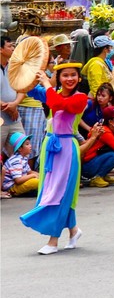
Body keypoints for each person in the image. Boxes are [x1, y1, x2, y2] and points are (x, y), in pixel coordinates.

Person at [19, 64, 88, 255]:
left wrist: (47, 85)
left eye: (73, 75)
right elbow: (28, 90)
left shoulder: (80, 98)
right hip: (50, 147)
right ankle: (73, 230)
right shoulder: (53, 92)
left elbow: (58, 104)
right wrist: (30, 75)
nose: (69, 79)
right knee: (51, 189)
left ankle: (53, 241)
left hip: (66, 149)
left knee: (59, 192)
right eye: (65, 75)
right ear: (58, 77)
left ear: (79, 78)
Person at [1, 36, 27, 157]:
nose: (13, 48)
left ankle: (19, 176)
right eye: (10, 46)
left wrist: (15, 104)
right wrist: (6, 106)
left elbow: (23, 88)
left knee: (22, 150)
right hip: (2, 117)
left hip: (14, 118)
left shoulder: (14, 66)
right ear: (1, 49)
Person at [3, 132, 39, 197]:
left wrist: (40, 176)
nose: (30, 146)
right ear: (20, 148)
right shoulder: (16, 160)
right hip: (12, 187)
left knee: (40, 179)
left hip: (19, 183)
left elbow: (29, 172)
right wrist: (33, 175)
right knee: (35, 182)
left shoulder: (23, 158)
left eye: (29, 143)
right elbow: (18, 180)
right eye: (27, 144)